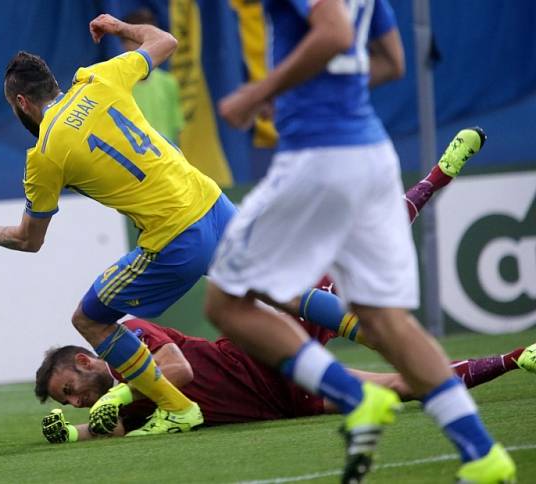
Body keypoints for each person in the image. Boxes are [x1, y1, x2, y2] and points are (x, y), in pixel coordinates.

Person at [204, 0, 516, 482]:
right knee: (386, 320)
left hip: (317, 158)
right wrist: (309, 92)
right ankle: (483, 455)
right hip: (370, 156)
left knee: (228, 302)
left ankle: (355, 397)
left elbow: (332, 33)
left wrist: (260, 93)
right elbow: (392, 61)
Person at [0, 13, 236, 436]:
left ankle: (178, 408)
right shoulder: (98, 79)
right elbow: (165, 39)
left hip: (174, 234)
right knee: (287, 294)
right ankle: (361, 331)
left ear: (22, 103)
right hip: (212, 201)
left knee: (89, 319)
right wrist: (120, 28)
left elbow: (28, 240)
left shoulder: (45, 155)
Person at [35, 317, 536, 443]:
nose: (76, 402)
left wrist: (121, 390)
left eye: (69, 392)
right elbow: (116, 428)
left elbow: (178, 371)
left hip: (263, 355)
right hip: (285, 402)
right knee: (405, 388)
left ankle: (433, 180)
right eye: (69, 402)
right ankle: (519, 358)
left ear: (84, 362)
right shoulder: (122, 407)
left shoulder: (127, 338)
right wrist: (72, 437)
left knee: (333, 287)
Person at [119, 8, 185, 145]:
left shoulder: (169, 82)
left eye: (152, 42)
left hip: (167, 159)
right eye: (137, 41)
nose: (146, 48)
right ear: (125, 44)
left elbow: (177, 129)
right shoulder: (117, 83)